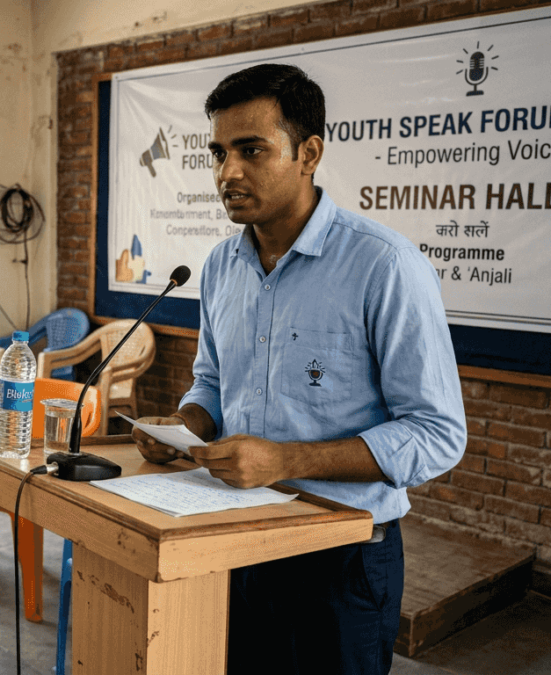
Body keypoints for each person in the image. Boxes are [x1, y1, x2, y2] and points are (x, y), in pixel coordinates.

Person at [132, 63, 466, 675]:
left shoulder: (384, 266)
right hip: (233, 541)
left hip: (340, 562)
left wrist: (287, 461)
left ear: (308, 153)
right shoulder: (221, 266)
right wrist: (185, 426)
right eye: (218, 153)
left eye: (251, 150)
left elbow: (437, 433)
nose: (227, 172)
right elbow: (213, 381)